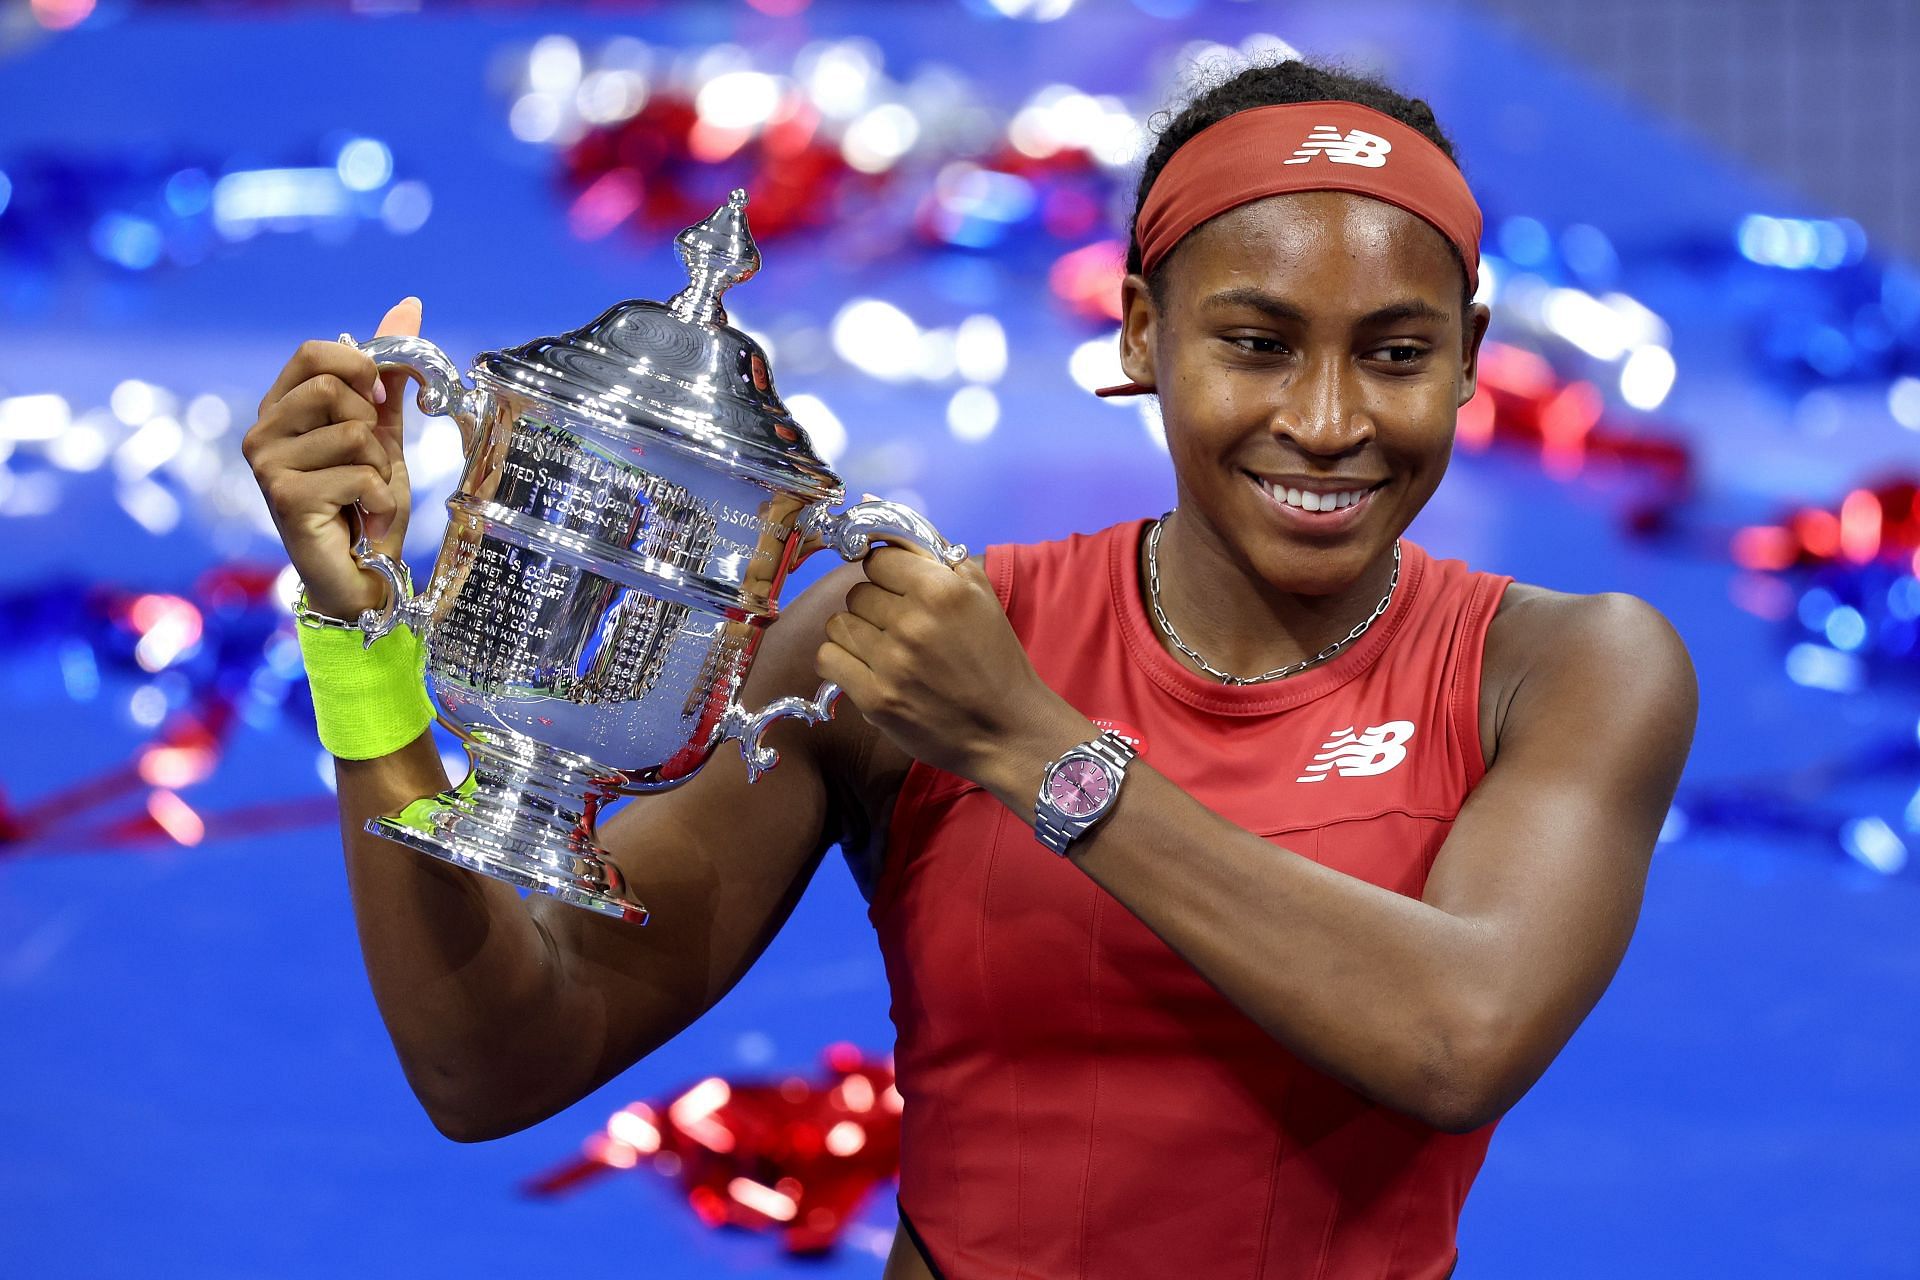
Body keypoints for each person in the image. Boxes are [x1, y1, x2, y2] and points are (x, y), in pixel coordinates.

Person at [242, 57, 1695, 1280]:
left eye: (1394, 355)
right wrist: (359, 639)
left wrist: (1031, 748)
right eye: (1255, 343)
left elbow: (1460, 1038)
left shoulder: (1568, 669)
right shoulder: (906, 655)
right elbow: (495, 1063)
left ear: (1467, 361)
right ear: (1141, 333)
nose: (1325, 420)